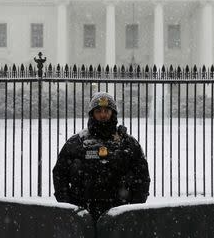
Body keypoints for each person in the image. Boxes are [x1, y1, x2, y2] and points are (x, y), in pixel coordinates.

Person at [53, 91, 150, 221]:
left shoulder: (128, 143)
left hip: (120, 216)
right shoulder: (76, 143)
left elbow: (142, 177)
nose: (103, 115)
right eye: (98, 111)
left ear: (113, 113)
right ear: (92, 114)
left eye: (107, 111)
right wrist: (71, 208)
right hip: (83, 216)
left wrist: (131, 210)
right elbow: (60, 174)